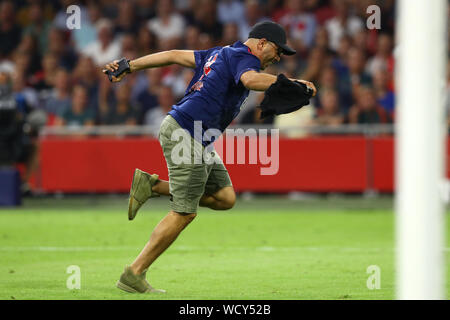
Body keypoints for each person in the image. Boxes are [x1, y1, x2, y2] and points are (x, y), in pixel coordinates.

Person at [102, 21, 316, 294]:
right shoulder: (244, 58)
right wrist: (291, 83)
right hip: (187, 132)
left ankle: (154, 186)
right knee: (184, 212)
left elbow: (172, 55)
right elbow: (249, 80)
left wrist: (130, 65)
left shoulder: (220, 53)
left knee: (225, 198)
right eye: (278, 51)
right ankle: (133, 273)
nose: (278, 58)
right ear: (261, 43)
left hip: (197, 135)